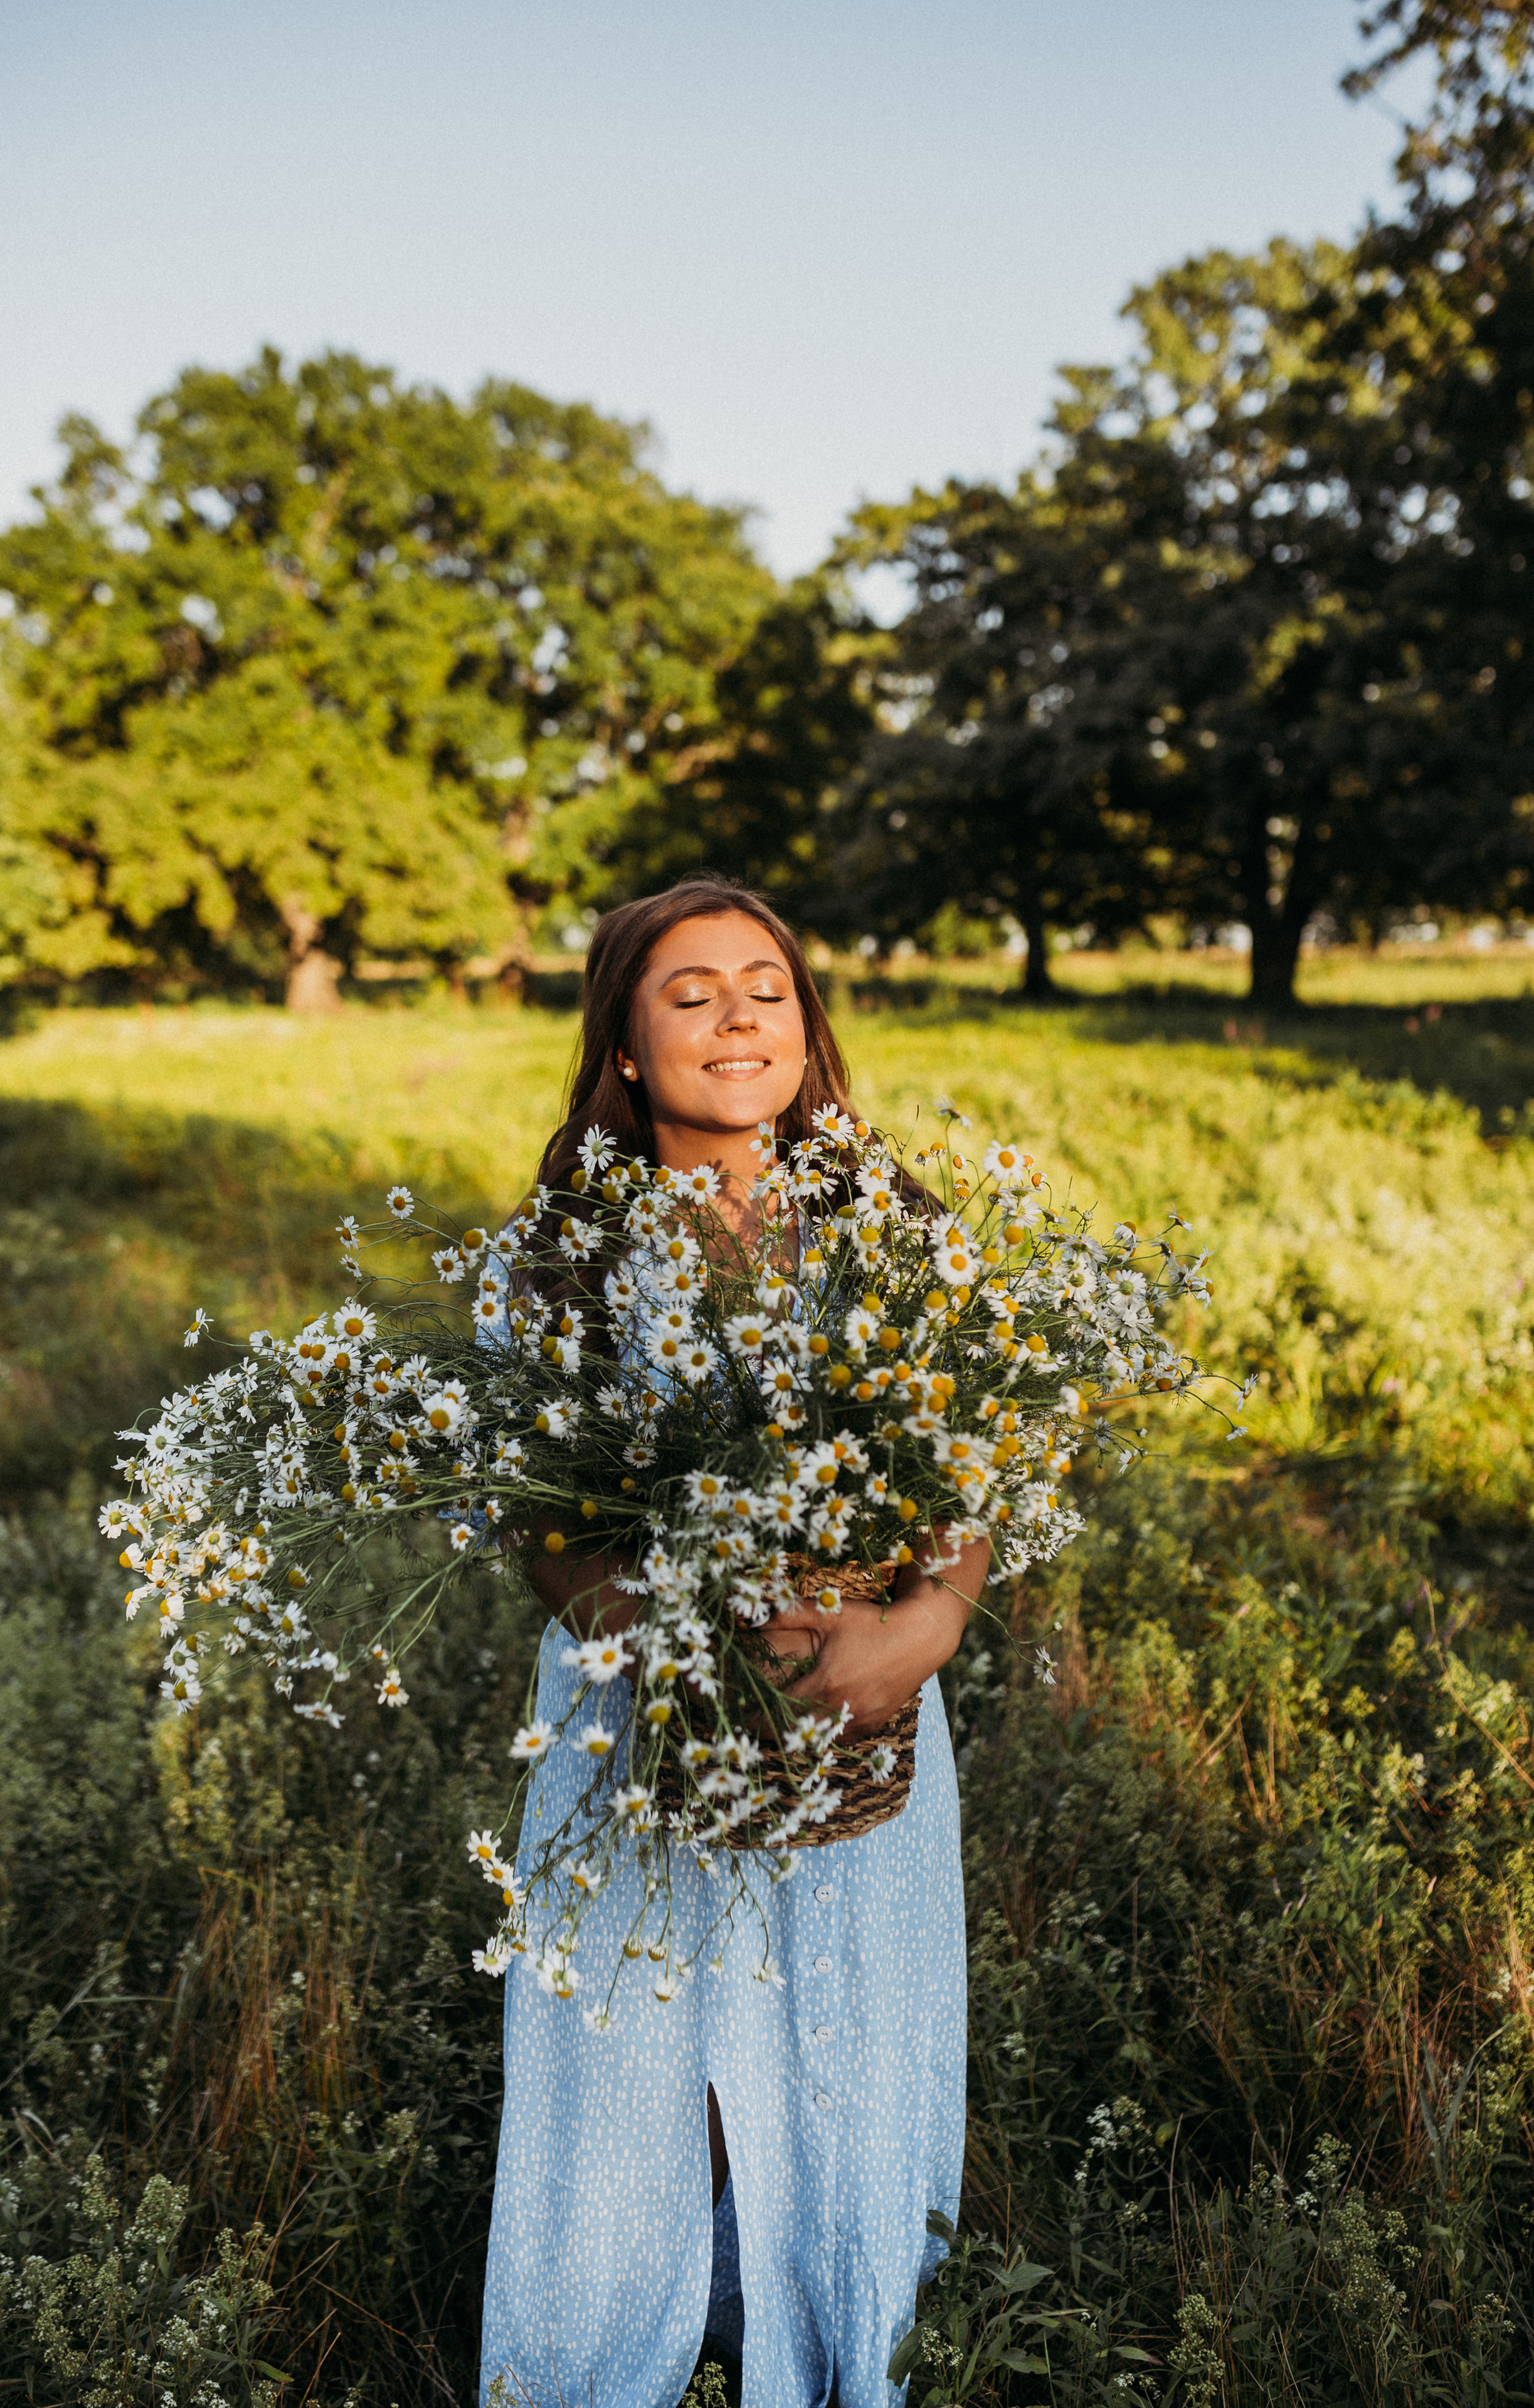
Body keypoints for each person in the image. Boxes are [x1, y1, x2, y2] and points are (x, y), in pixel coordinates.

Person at [478, 877, 987, 2408]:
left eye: (763, 986)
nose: (735, 1016)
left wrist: (927, 1622)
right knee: (636, 2031)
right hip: (642, 1712)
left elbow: (979, 1465)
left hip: (861, 1704)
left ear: (806, 1027)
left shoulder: (892, 1229)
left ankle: (826, 2336)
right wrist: (657, 1634)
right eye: (687, 992)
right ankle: (619, 2334)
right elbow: (537, 1514)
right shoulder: (561, 1250)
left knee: (838, 2021)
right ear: (624, 1047)